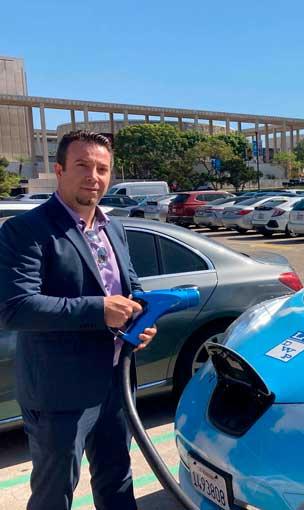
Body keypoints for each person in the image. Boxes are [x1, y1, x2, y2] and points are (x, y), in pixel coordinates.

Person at [0, 131, 157, 510]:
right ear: (59, 170)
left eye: (102, 169)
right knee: (54, 494)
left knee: (117, 481)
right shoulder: (26, 230)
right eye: (82, 166)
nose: (93, 177)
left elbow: (132, 288)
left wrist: (142, 322)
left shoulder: (114, 228)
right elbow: (16, 308)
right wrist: (99, 309)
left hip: (117, 383)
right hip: (60, 392)